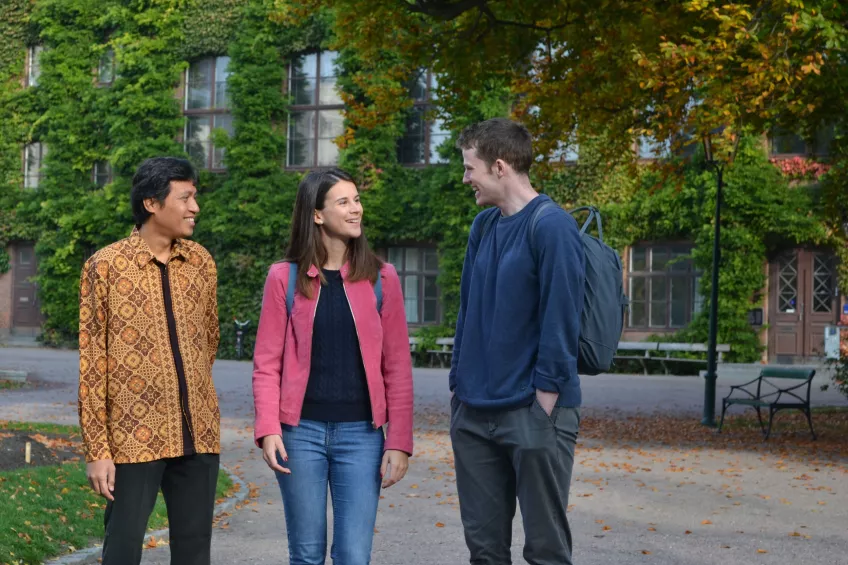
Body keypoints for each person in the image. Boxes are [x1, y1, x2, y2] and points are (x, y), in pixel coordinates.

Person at [252, 167, 414, 565]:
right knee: (306, 555)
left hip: (362, 436)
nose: (356, 209)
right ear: (317, 214)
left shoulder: (382, 278)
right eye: (344, 202)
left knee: (354, 556)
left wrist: (399, 441)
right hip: (299, 434)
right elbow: (266, 363)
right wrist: (268, 427)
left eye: (357, 200)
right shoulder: (284, 278)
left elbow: (397, 366)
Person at [449, 118, 586, 565]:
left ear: (500, 167)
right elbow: (467, 311)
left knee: (545, 551)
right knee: (485, 553)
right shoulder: (483, 227)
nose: (466, 177)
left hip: (532, 411)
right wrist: (458, 384)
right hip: (473, 412)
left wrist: (546, 396)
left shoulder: (552, 227)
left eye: (471, 168)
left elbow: (562, 318)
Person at [78, 157, 221, 565]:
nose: (195, 207)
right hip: (131, 437)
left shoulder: (201, 263)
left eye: (196, 197)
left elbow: (208, 339)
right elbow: (92, 365)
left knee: (194, 553)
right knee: (122, 550)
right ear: (152, 203)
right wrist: (98, 449)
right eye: (186, 197)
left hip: (198, 434)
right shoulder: (104, 267)